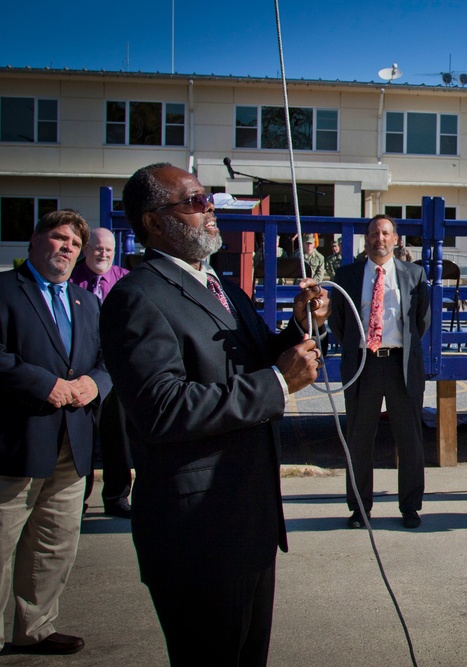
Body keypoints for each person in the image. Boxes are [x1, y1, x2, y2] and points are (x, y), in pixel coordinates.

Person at [100, 163, 328, 665]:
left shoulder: (217, 286)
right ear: (154, 222)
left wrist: (296, 328)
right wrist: (276, 383)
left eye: (210, 200)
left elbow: (260, 357)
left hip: (250, 523)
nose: (210, 211)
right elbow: (161, 409)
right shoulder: (136, 297)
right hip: (197, 536)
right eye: (195, 201)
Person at [0, 210, 112, 654]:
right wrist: (43, 384)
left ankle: (36, 629)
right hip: (15, 442)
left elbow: (108, 360)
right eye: (58, 237)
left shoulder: (88, 302)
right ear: (34, 241)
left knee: (53, 544)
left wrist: (95, 384)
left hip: (73, 443)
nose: (67, 248)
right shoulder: (5, 291)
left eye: (74, 243)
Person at [329, 214, 430, 529]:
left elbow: (421, 322)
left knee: (410, 440)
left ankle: (410, 508)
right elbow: (338, 323)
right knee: (359, 440)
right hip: (363, 364)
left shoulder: (415, 275)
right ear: (366, 239)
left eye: (386, 233)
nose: (380, 238)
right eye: (374, 233)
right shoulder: (346, 276)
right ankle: (360, 508)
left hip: (400, 364)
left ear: (396, 239)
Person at [69, 227, 132, 518]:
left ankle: (117, 498)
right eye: (97, 248)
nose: (103, 253)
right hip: (81, 370)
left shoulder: (124, 280)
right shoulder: (71, 280)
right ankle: (75, 501)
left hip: (116, 371)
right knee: (79, 438)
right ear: (85, 249)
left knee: (116, 437)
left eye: (108, 249)